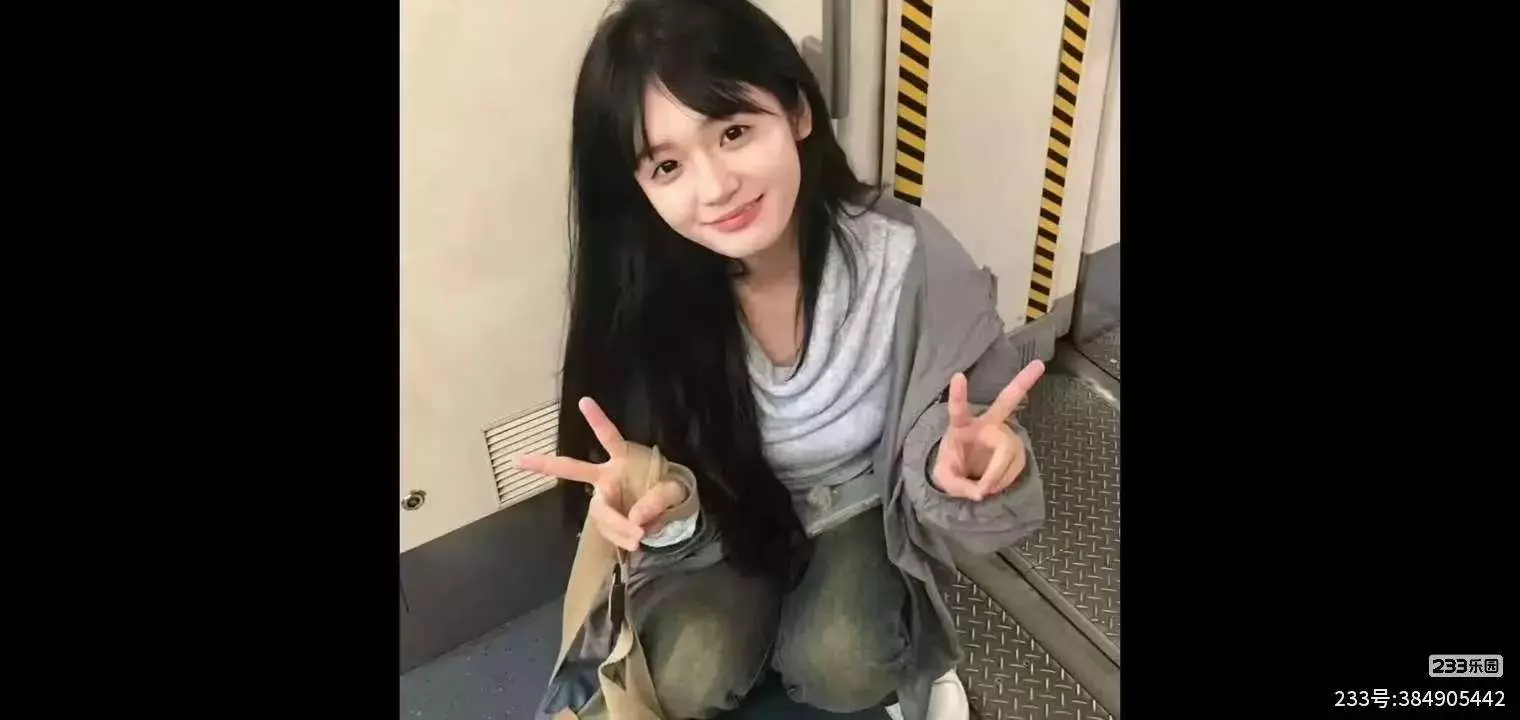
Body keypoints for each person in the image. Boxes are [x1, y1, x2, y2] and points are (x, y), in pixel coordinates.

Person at [521, 1, 1046, 718]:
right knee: (684, 676)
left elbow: (952, 408)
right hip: (724, 520)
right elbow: (663, 480)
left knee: (842, 660)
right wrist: (658, 504)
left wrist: (959, 459)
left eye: (733, 131)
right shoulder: (645, 303)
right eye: (668, 165)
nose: (716, 187)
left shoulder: (906, 260)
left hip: (860, 505)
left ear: (797, 112)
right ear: (638, 188)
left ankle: (880, 653)